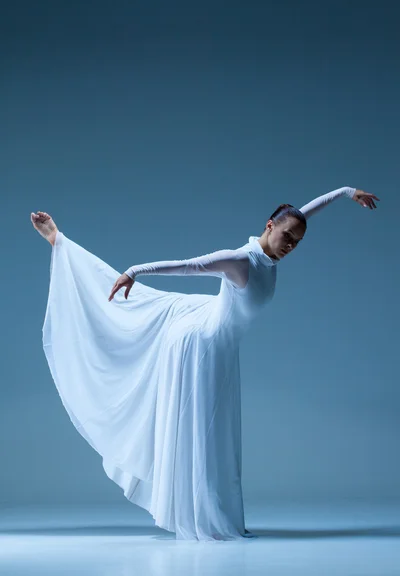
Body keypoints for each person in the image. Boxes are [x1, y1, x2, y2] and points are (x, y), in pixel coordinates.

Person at [31, 186, 379, 542]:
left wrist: (346, 192)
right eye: (287, 236)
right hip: (201, 344)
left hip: (220, 339)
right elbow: (190, 266)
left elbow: (306, 212)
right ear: (269, 225)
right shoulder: (242, 259)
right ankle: (58, 241)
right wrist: (136, 270)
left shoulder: (276, 245)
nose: (290, 245)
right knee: (207, 432)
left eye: (297, 241)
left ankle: (214, 513)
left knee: (218, 435)